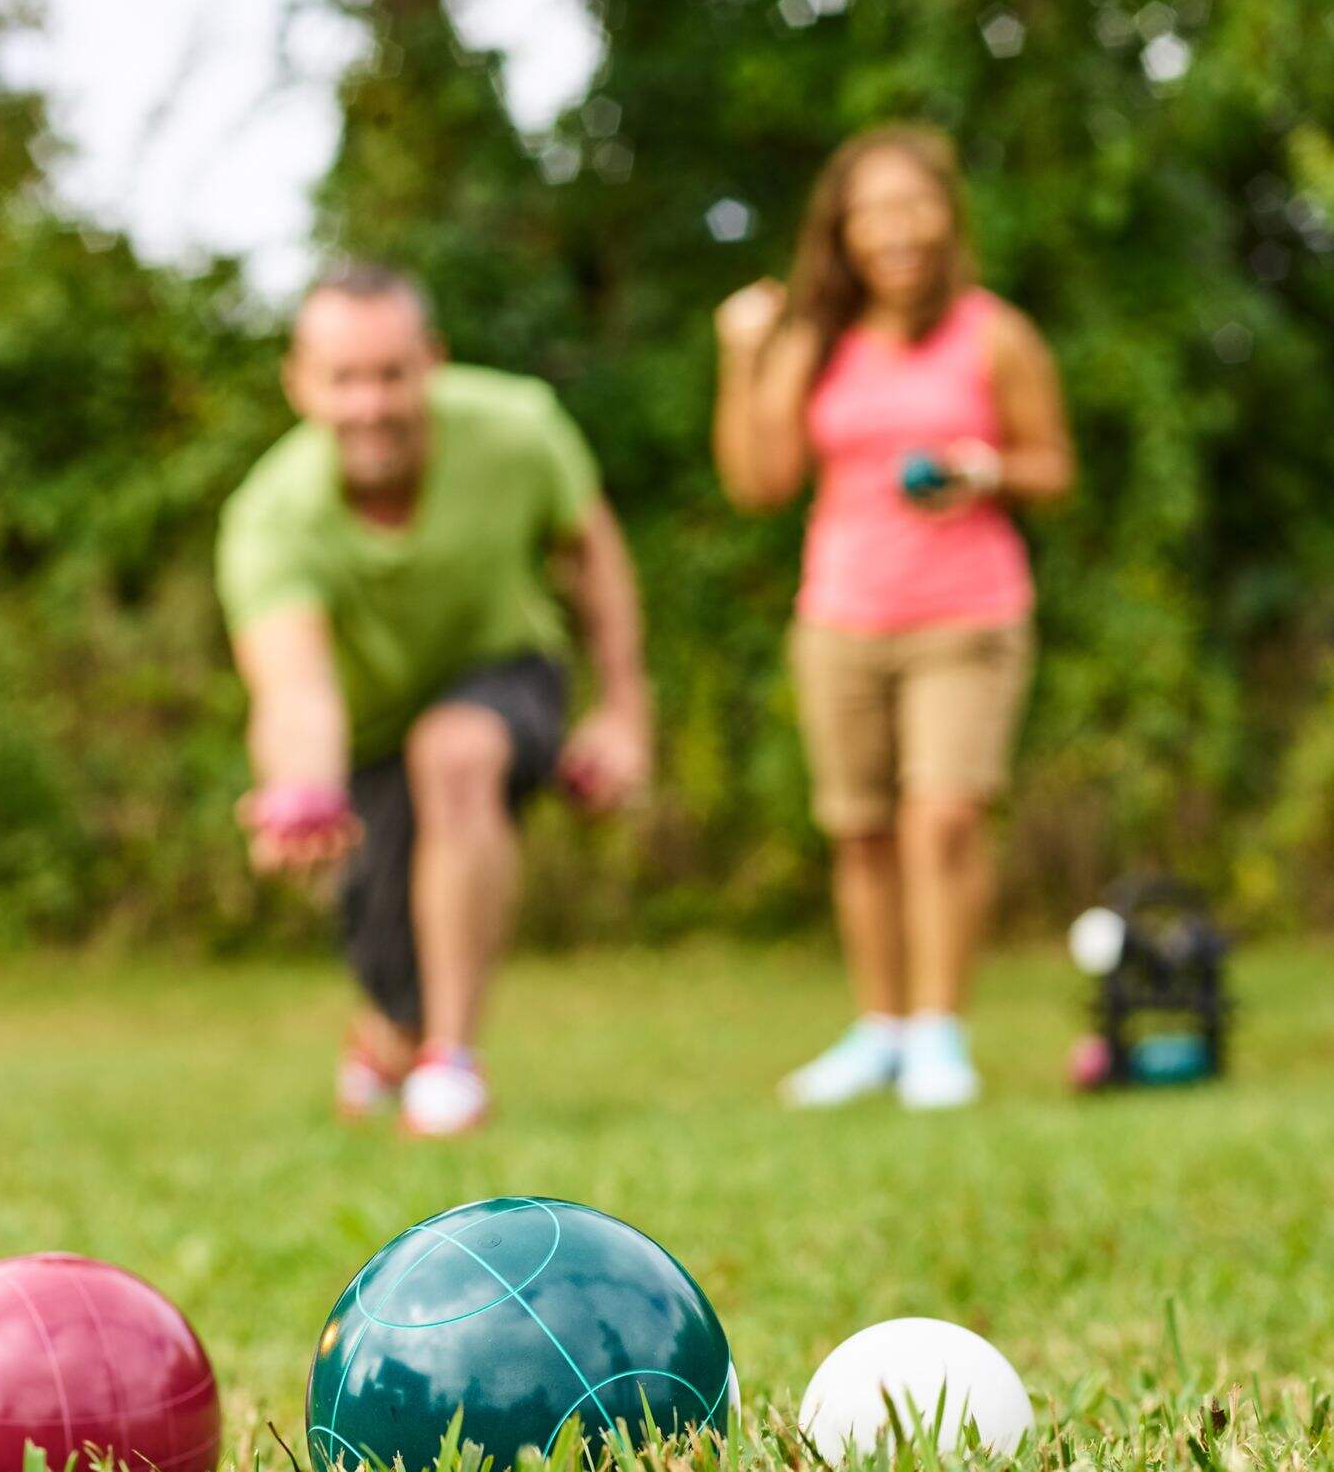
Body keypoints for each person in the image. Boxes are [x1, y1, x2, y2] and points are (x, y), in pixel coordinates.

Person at [216, 263, 654, 1136]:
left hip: (506, 669)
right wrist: (304, 791)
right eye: (344, 379)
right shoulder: (272, 516)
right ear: (300, 384)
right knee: (391, 971)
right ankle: (393, 1035)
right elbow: (295, 684)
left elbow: (591, 555)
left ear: (433, 362)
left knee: (454, 752)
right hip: (366, 730)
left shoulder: (518, 429)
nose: (370, 404)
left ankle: (451, 1063)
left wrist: (624, 710)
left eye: (391, 374)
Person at [713, 126, 1076, 1109]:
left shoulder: (993, 334)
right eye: (871, 212)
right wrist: (742, 358)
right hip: (841, 615)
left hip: (967, 613)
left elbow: (1053, 464)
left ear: (947, 217)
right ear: (841, 233)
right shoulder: (814, 341)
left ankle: (937, 1034)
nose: (895, 230)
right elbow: (758, 483)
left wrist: (984, 470)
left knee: (944, 817)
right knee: (861, 831)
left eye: (912, 205)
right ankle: (879, 1029)